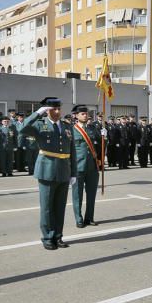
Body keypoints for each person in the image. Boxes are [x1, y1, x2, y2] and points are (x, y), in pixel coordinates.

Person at [21, 97, 74, 250]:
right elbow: (21, 128)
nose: (57, 112)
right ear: (46, 111)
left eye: (58, 109)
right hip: (46, 171)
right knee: (47, 208)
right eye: (53, 109)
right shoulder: (39, 125)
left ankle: (58, 236)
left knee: (60, 207)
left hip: (64, 171)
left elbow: (72, 152)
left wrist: (74, 173)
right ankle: (47, 237)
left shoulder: (67, 126)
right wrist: (37, 113)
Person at [70, 105, 100, 228]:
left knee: (91, 194)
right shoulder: (72, 130)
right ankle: (79, 218)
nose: (85, 115)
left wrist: (104, 137)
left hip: (92, 166)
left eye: (86, 113)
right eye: (82, 114)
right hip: (77, 167)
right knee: (77, 194)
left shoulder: (93, 129)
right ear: (76, 116)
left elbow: (99, 146)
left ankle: (89, 217)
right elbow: (69, 150)